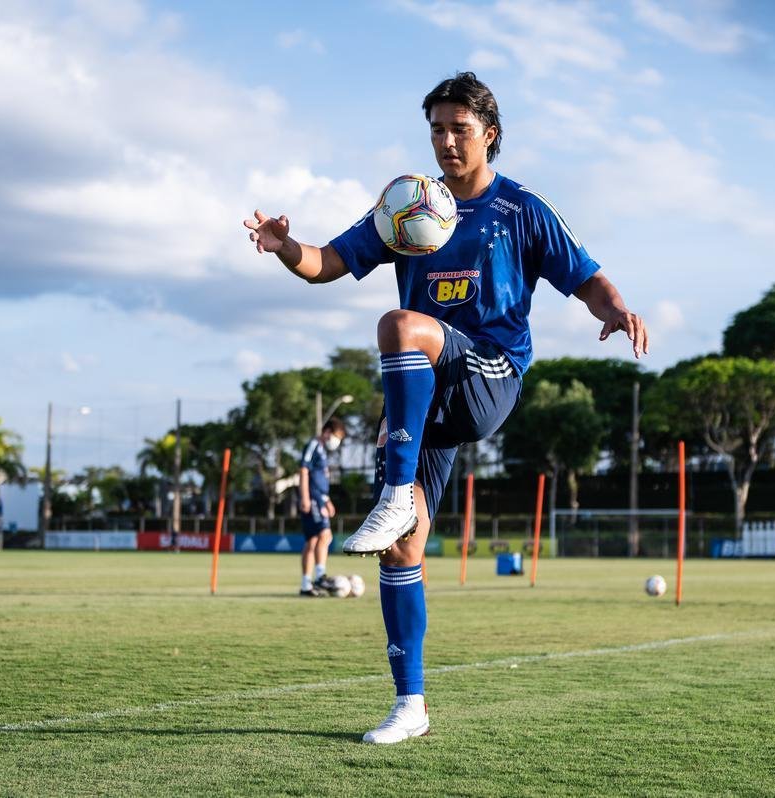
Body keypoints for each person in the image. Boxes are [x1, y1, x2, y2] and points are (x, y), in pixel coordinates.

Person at [245, 71, 649, 744]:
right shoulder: (406, 205)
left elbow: (586, 276)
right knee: (402, 551)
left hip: (491, 373)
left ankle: (396, 490)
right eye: (436, 128)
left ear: (489, 135)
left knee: (401, 325)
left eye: (459, 129)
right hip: (426, 396)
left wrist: (618, 310)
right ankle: (411, 707)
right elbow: (326, 263)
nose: (446, 141)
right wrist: (285, 245)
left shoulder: (522, 210)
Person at [298, 418, 345, 597]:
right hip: (312, 498)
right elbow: (303, 470)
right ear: (326, 432)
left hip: (319, 498)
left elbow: (320, 479)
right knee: (325, 535)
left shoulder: (323, 451)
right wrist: (305, 498)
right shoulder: (313, 445)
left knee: (312, 541)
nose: (336, 441)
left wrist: (327, 500)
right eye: (336, 436)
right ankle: (319, 577)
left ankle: (306, 585)